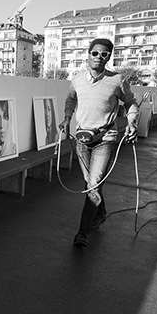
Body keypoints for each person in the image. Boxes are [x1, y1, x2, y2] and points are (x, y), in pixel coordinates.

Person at [58, 38, 139, 248]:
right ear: (88, 53)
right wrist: (67, 118)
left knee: (93, 184)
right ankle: (101, 213)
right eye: (95, 53)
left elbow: (130, 102)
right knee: (92, 184)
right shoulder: (77, 79)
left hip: (106, 138)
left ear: (109, 56)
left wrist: (131, 122)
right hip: (82, 139)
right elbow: (71, 99)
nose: (99, 57)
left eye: (104, 54)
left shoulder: (117, 80)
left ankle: (82, 233)